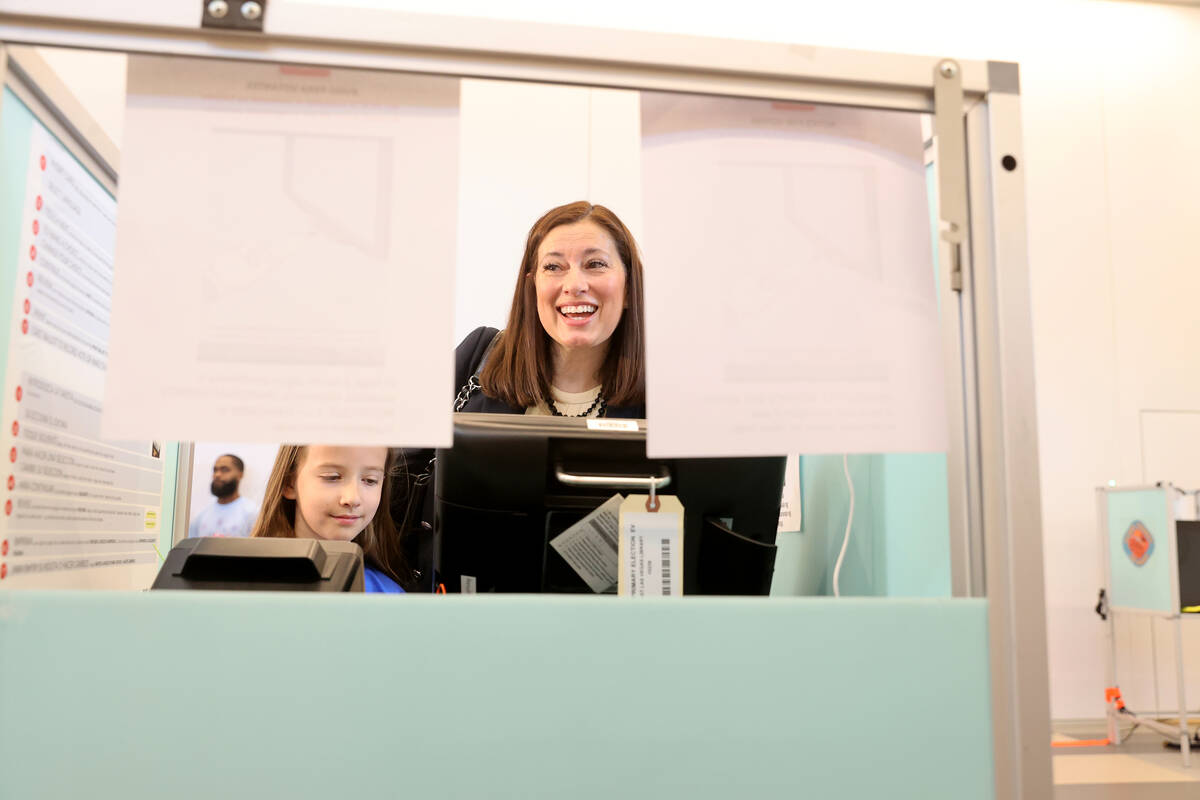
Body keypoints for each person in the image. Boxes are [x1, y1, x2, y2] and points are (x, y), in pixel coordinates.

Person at [456, 201, 646, 417]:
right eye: (553, 267)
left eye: (595, 264)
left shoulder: (667, 391)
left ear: (629, 288)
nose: (574, 285)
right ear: (533, 285)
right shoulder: (480, 351)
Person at [252, 445, 409, 593]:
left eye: (370, 480)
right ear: (289, 483)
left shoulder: (388, 594)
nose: (352, 498)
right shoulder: (245, 583)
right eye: (332, 477)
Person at [188, 453, 259, 538]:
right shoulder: (201, 515)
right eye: (215, 470)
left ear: (240, 475)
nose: (217, 475)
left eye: (225, 470)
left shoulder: (252, 513)